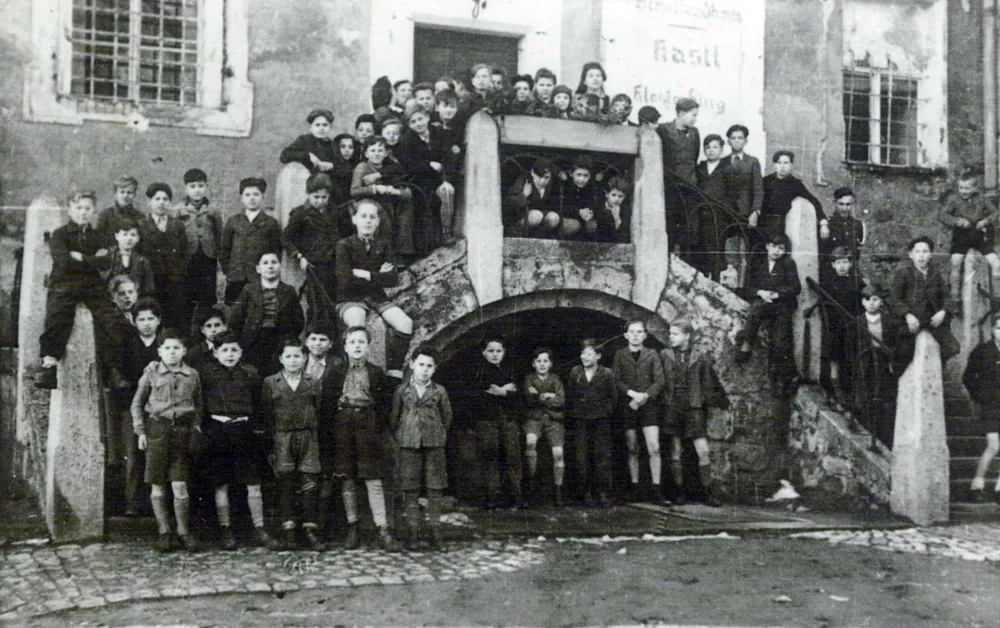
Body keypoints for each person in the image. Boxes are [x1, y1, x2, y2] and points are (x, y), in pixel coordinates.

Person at [35, 190, 127, 390]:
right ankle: (49, 363)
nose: (83, 212)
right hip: (64, 283)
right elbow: (64, 261)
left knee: (109, 317)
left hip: (91, 284)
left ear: (93, 211)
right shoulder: (60, 234)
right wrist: (91, 260)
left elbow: (106, 262)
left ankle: (113, 369)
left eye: (87, 208)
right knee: (58, 314)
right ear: (70, 210)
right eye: (78, 208)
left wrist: (81, 257)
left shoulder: (98, 236)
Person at [196, 331, 278, 550]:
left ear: (241, 352)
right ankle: (226, 528)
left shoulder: (251, 374)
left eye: (234, 350)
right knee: (221, 483)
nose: (230, 354)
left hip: (244, 430)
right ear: (215, 352)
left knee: (253, 482)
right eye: (225, 350)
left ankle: (259, 528)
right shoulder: (206, 374)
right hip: (219, 430)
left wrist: (258, 429)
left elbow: (260, 405)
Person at [130, 329, 202, 553]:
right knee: (158, 483)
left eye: (176, 348)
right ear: (160, 351)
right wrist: (141, 432)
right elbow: (137, 404)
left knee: (180, 485)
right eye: (167, 348)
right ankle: (164, 531)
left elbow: (199, 404)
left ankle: (183, 531)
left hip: (182, 432)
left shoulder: (192, 375)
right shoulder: (151, 373)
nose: (172, 352)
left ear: (184, 351)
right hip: (157, 430)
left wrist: (196, 428)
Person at [331, 326, 400, 551]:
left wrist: (376, 427)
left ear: (369, 346)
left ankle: (382, 528)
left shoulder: (376, 372)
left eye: (362, 342)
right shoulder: (336, 371)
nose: (357, 346)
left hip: (368, 425)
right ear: (345, 347)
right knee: (347, 478)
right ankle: (353, 527)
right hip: (343, 424)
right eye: (352, 342)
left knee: (373, 477)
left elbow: (384, 405)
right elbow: (327, 402)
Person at [335, 198, 413, 379]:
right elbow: (345, 281)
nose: (368, 221)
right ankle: (354, 372)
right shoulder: (344, 245)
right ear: (354, 219)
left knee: (405, 323)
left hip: (376, 297)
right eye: (363, 216)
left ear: (378, 221)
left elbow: (392, 279)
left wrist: (366, 274)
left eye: (372, 217)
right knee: (357, 326)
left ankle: (394, 371)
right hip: (350, 298)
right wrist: (378, 275)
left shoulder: (383, 245)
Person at [261, 338, 324, 550]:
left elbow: (318, 408)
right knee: (285, 482)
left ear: (304, 357)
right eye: (288, 356)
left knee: (309, 482)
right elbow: (267, 413)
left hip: (307, 436)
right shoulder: (271, 382)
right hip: (282, 437)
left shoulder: (312, 381)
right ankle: (288, 530)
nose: (293, 360)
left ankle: (309, 529)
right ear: (281, 359)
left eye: (297, 356)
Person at [389, 347, 452, 551]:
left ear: (434, 369)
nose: (424, 369)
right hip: (408, 442)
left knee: (435, 487)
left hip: (434, 443)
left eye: (429, 366)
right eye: (421, 364)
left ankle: (435, 531)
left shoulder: (439, 391)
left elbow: (447, 417)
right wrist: (404, 434)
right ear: (412, 365)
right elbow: (394, 417)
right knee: (411, 487)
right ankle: (413, 532)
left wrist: (437, 433)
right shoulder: (402, 390)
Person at [660, 319, 729, 506]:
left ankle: (707, 492)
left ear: (687, 336)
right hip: (672, 407)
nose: (671, 337)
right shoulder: (664, 355)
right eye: (670, 333)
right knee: (675, 451)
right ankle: (678, 492)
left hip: (693, 409)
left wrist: (717, 401)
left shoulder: (700, 357)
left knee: (703, 450)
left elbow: (709, 383)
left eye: (675, 334)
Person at [735, 232, 801, 397]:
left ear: (785, 250)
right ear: (767, 246)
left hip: (782, 306)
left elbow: (795, 288)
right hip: (764, 304)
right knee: (756, 308)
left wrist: (776, 294)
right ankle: (747, 344)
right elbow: (746, 288)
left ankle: (788, 378)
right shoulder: (758, 263)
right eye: (773, 246)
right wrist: (760, 292)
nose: (777, 251)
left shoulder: (788, 263)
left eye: (781, 248)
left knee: (780, 343)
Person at [113, 292, 157, 517]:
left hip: (159, 408)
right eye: (141, 319)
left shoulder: (164, 346)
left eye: (151, 319)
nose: (146, 324)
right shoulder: (127, 345)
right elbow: (119, 374)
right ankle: (133, 503)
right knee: (133, 455)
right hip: (132, 407)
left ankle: (156, 503)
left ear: (158, 320)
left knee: (156, 456)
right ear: (134, 321)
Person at [612, 320, 666, 502]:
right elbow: (616, 380)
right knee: (632, 447)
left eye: (639, 332)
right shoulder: (620, 355)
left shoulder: (652, 354)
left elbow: (659, 381)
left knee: (654, 447)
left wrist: (644, 396)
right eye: (632, 332)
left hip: (648, 406)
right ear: (626, 335)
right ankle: (635, 488)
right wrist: (632, 394)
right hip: (629, 406)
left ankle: (656, 489)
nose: (635, 335)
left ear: (645, 335)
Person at [228, 251, 305, 376]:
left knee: (276, 374)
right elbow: (235, 319)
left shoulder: (289, 291)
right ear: (258, 269)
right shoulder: (249, 290)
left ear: (280, 266)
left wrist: (288, 338)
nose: (270, 266)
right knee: (253, 375)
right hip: (253, 342)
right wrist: (243, 340)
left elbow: (298, 321)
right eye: (265, 263)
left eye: (274, 262)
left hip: (279, 342)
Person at [468, 337, 523, 510]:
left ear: (504, 352)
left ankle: (514, 497)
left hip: (507, 420)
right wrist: (506, 389)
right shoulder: (478, 371)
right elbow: (479, 394)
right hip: (487, 420)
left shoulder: (509, 370)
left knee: (512, 456)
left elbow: (520, 396)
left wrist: (503, 392)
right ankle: (491, 497)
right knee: (489, 455)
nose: (495, 354)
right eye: (491, 351)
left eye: (498, 351)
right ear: (483, 352)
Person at [889, 236, 960, 366]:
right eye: (917, 252)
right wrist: (907, 315)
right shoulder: (903, 273)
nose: (921, 255)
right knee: (905, 354)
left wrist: (942, 312)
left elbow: (947, 296)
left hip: (932, 321)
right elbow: (894, 298)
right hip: (911, 323)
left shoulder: (935, 274)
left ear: (930, 255)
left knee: (952, 348)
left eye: (925, 251)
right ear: (911, 255)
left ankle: (935, 368)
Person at [304, 323, 346, 541]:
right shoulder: (298, 362)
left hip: (329, 428)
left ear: (330, 344)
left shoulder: (338, 366)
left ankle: (323, 525)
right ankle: (306, 526)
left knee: (327, 474)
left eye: (323, 340)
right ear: (306, 342)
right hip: (304, 428)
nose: (317, 343)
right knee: (306, 474)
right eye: (313, 339)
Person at [566, 338, 616, 507]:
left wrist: (604, 412)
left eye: (588, 354)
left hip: (601, 421)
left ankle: (603, 492)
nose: (584, 357)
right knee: (582, 457)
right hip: (581, 421)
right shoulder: (575, 372)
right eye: (582, 353)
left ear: (598, 356)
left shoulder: (607, 373)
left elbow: (613, 397)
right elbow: (571, 395)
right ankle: (585, 493)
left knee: (602, 457)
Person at [283, 172, 340, 319]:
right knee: (316, 302)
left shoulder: (333, 211)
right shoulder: (300, 213)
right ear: (308, 194)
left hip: (333, 262)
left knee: (333, 299)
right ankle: (314, 330)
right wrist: (299, 256)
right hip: (314, 264)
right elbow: (286, 238)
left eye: (324, 197)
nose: (320, 201)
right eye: (316, 197)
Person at [939, 171, 1000, 303]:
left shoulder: (982, 199)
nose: (963, 191)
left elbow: (996, 213)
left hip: (978, 235)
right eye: (961, 187)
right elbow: (943, 215)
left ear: (975, 188)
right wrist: (958, 221)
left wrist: (985, 221)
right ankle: (954, 297)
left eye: (967, 188)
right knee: (956, 262)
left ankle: (997, 296)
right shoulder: (954, 200)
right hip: (961, 236)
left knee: (996, 262)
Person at [220, 177, 282, 304]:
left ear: (263, 196)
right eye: (247, 195)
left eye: (256, 194)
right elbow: (224, 250)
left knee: (258, 310)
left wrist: (267, 272)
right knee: (233, 311)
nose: (252, 198)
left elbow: (276, 251)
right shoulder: (233, 221)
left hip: (259, 278)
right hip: (236, 278)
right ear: (241, 198)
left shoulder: (271, 223)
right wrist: (230, 271)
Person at [138, 183, 190, 330]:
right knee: (154, 320)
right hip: (152, 282)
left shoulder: (177, 225)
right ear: (149, 201)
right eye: (157, 199)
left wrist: (179, 271)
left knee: (177, 321)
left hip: (175, 282)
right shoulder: (141, 226)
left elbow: (184, 252)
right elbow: (138, 254)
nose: (161, 202)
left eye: (165, 199)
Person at [854, 284, 899, 449]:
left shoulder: (889, 321)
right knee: (867, 399)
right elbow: (851, 347)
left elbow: (895, 343)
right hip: (865, 364)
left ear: (880, 301)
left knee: (885, 401)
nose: (871, 303)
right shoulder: (857, 322)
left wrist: (892, 358)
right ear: (862, 302)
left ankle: (885, 439)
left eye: (875, 299)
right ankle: (869, 434)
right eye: (867, 299)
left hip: (884, 364)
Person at [174, 168, 222, 328]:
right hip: (187, 260)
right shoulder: (178, 210)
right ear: (186, 188)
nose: (197, 190)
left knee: (207, 298)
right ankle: (187, 332)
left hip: (208, 259)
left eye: (201, 186)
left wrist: (218, 257)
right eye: (192, 186)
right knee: (187, 298)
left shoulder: (213, 210)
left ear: (206, 187)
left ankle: (207, 330)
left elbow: (219, 235)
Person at [351, 136, 414, 254]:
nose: (376, 154)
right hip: (366, 201)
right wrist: (375, 188)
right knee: (379, 214)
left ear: (385, 153)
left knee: (406, 209)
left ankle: (403, 252)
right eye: (373, 150)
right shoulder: (362, 167)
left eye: (380, 150)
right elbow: (354, 191)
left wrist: (394, 191)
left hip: (387, 201)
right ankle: (380, 253)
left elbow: (408, 193)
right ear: (366, 154)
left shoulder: (389, 168)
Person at [756, 151, 829, 252]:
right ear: (774, 165)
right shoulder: (765, 181)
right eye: (779, 162)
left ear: (791, 165)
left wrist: (823, 223)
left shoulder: (795, 184)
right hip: (761, 224)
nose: (782, 166)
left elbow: (814, 201)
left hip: (780, 226)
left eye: (786, 163)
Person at [819, 247, 864, 408]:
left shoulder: (857, 282)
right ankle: (831, 391)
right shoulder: (828, 283)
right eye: (838, 262)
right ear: (833, 265)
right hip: (834, 326)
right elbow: (825, 305)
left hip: (852, 325)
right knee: (832, 357)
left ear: (850, 264)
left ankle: (848, 395)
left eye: (845, 262)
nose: (842, 266)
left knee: (848, 359)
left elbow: (861, 303)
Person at [962, 316, 1000, 503]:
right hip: (991, 405)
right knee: (994, 446)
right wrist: (980, 396)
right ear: (992, 329)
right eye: (999, 328)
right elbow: (968, 377)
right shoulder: (983, 350)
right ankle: (976, 485)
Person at [523, 347, 567, 506]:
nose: (542, 364)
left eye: (545, 361)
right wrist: (549, 396)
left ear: (550, 363)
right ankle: (531, 483)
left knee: (558, 453)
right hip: (534, 419)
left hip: (554, 420)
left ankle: (558, 490)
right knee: (530, 442)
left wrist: (540, 396)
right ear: (533, 363)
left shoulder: (556, 379)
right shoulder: (529, 378)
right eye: (539, 361)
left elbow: (561, 401)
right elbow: (530, 398)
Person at [658, 98, 701, 254]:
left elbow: (694, 157)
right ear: (681, 113)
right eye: (693, 115)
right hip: (669, 186)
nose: (695, 119)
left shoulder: (694, 133)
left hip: (688, 187)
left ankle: (683, 262)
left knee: (686, 227)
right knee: (669, 225)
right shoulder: (663, 129)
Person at [693, 134, 736, 279]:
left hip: (718, 216)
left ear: (721, 149)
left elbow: (732, 194)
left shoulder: (728, 168)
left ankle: (716, 281)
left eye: (715, 147)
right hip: (701, 215)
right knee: (701, 249)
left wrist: (724, 210)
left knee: (716, 250)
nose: (711, 150)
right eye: (708, 147)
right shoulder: (699, 168)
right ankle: (702, 281)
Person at [503, 158, 559, 237]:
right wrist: (524, 195)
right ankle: (516, 235)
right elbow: (508, 203)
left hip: (540, 217)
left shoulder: (550, 183)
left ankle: (538, 237)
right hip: (521, 216)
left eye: (546, 177)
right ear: (532, 172)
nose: (542, 181)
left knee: (554, 218)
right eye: (539, 176)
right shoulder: (524, 180)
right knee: (536, 215)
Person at [105, 219, 155, 299]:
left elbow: (148, 290)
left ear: (138, 238)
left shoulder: (143, 262)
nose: (129, 238)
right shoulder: (107, 257)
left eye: (133, 235)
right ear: (117, 236)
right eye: (125, 234)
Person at [280, 109, 338, 174]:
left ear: (330, 127)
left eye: (325, 125)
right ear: (311, 127)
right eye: (317, 125)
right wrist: (308, 155)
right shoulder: (304, 140)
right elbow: (284, 156)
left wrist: (332, 166)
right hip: (303, 178)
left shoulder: (333, 145)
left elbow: (343, 165)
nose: (321, 128)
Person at [824, 187, 865, 267]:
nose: (844, 208)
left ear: (853, 204)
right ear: (834, 203)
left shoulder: (858, 225)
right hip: (830, 272)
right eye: (841, 204)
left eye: (848, 204)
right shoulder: (827, 225)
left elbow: (857, 255)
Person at [559, 156, 598, 239]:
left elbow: (593, 204)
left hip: (582, 220)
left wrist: (590, 212)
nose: (581, 179)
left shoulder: (590, 188)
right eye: (578, 175)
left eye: (585, 176)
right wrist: (579, 212)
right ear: (571, 174)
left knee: (593, 225)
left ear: (590, 176)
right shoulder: (565, 186)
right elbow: (560, 207)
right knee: (574, 225)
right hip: (567, 219)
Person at [96, 175, 142, 245]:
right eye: (122, 192)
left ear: (134, 195)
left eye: (129, 192)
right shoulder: (105, 214)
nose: (125, 195)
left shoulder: (139, 216)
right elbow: (98, 238)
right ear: (115, 194)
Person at [185, 305, 228, 372]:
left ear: (225, 327)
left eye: (217, 325)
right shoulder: (193, 354)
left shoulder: (233, 350)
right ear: (202, 330)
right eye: (208, 326)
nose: (213, 330)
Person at [594, 175, 632, 244]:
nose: (616, 199)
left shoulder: (625, 210)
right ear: (606, 194)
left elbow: (624, 237)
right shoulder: (598, 206)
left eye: (620, 196)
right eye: (613, 195)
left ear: (624, 197)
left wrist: (617, 219)